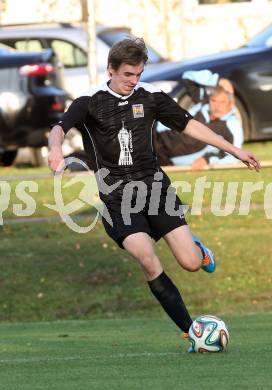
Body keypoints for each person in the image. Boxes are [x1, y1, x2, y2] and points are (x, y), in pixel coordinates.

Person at [48, 38, 260, 351]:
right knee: (147, 259)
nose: (133, 81)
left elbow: (190, 126)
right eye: (127, 75)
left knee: (189, 262)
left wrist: (233, 149)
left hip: (155, 189)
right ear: (110, 69)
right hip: (117, 200)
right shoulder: (89, 102)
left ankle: (197, 250)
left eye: (138, 74)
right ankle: (192, 333)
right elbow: (58, 128)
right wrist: (55, 148)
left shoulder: (150, 97)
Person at [154, 70, 244, 169]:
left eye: (222, 102)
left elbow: (235, 157)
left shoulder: (232, 126)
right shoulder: (202, 102)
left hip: (165, 159)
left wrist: (207, 159)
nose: (217, 106)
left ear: (231, 104)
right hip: (154, 134)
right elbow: (187, 77)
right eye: (214, 101)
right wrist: (216, 80)